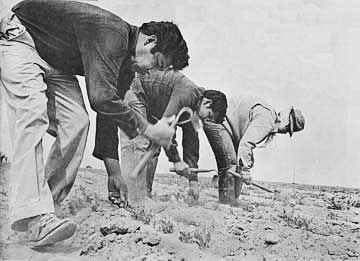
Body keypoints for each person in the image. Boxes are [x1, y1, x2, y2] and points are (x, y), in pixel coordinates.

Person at [0, 0, 189, 246]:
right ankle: (34, 215)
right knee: (31, 117)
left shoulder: (127, 67)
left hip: (55, 61)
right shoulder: (113, 32)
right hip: (21, 38)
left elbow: (108, 111)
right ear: (150, 41)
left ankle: (47, 208)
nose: (150, 71)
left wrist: (114, 172)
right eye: (158, 63)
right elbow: (100, 97)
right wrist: (147, 128)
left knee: (77, 123)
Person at [93, 70, 226, 205]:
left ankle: (144, 192)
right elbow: (166, 128)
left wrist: (193, 182)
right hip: (137, 92)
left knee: (153, 149)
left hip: (153, 107)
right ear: (207, 103)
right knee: (138, 142)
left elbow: (191, 143)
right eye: (209, 116)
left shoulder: (195, 110)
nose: (205, 120)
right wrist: (176, 160)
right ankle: (131, 197)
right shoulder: (188, 93)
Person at [199, 95, 305, 204]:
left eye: (289, 131)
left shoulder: (269, 116)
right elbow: (245, 144)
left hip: (224, 125)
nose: (285, 132)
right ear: (285, 118)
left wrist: (246, 167)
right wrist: (245, 171)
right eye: (288, 127)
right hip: (215, 119)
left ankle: (230, 199)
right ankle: (226, 204)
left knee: (238, 166)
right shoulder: (267, 120)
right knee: (230, 164)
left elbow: (244, 143)